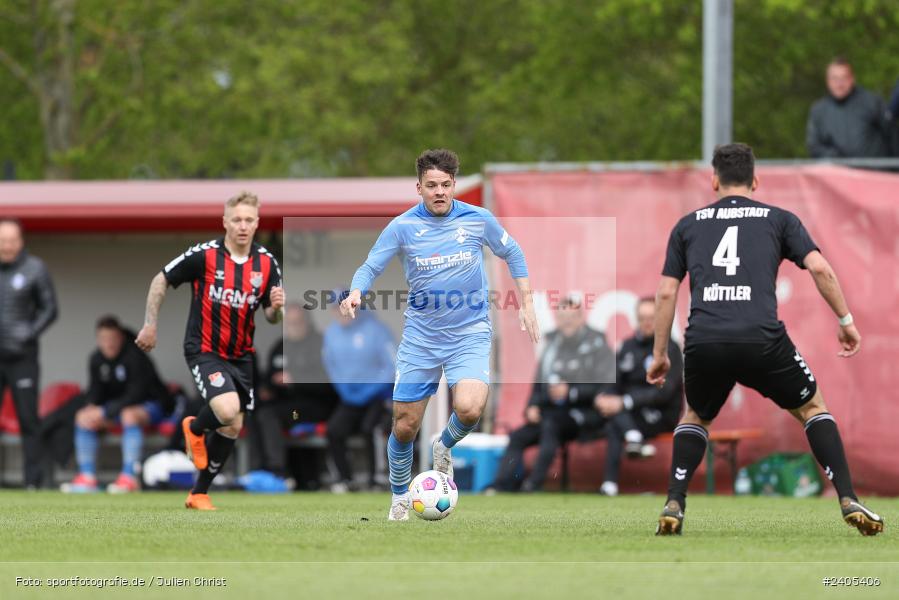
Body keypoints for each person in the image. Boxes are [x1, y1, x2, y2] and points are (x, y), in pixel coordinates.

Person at [647, 143, 883, 536]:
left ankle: (674, 501)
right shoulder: (780, 219)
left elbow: (667, 293)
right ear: (756, 181)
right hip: (761, 339)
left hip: (705, 339)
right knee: (811, 407)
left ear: (714, 181)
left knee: (696, 416)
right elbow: (821, 269)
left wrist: (659, 354)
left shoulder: (688, 225)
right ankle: (847, 496)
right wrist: (845, 320)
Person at [340, 148, 540, 520]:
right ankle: (400, 497)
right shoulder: (402, 227)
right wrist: (356, 292)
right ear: (418, 187)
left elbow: (514, 254)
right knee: (404, 425)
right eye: (431, 185)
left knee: (469, 408)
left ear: (454, 185)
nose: (439, 192)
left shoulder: (478, 219)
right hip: (421, 337)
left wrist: (526, 303)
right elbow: (371, 265)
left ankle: (443, 446)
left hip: (470, 332)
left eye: (446, 185)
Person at [136, 191, 284, 511]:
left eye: (248, 220)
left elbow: (272, 317)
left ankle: (198, 493)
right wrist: (150, 325)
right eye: (236, 220)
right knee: (227, 410)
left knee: (232, 427)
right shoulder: (205, 255)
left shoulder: (266, 263)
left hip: (242, 355)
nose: (242, 226)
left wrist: (277, 309)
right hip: (205, 349)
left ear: (257, 223)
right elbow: (160, 280)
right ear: (225, 222)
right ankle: (195, 426)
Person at [492, 295, 613, 492]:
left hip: (584, 415)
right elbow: (539, 381)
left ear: (581, 317)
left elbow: (605, 387)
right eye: (562, 318)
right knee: (518, 436)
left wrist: (572, 391)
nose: (567, 322)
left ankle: (533, 484)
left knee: (551, 425)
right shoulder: (552, 344)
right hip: (550, 413)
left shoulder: (597, 344)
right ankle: (501, 486)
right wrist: (531, 406)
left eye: (571, 317)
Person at [61, 316, 173, 493]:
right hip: (116, 410)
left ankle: (129, 477)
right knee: (83, 417)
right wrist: (91, 406)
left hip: (153, 406)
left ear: (120, 338)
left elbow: (136, 394)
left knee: (129, 415)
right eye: (104, 339)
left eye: (112, 339)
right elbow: (95, 390)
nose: (109, 344)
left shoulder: (135, 356)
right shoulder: (96, 359)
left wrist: (105, 411)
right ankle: (87, 477)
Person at [594, 297, 682, 497]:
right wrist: (604, 397)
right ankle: (631, 440)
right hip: (630, 415)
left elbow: (665, 392)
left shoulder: (671, 349)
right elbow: (614, 381)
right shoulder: (627, 346)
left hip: (660, 414)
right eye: (642, 318)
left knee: (615, 420)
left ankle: (611, 480)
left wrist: (624, 402)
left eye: (651, 318)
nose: (647, 322)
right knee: (612, 420)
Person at [249, 302, 338, 485]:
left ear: (307, 322)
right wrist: (268, 388)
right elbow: (268, 377)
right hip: (288, 408)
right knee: (255, 411)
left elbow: (328, 384)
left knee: (270, 415)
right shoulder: (280, 346)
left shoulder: (321, 344)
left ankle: (277, 473)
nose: (294, 326)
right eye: (290, 322)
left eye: (298, 322)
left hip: (315, 407)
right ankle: (257, 471)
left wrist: (294, 379)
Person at [0, 217, 58, 488]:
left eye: (11, 240)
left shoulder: (35, 268)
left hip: (23, 358)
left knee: (27, 419)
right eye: (2, 240)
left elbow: (50, 309)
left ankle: (32, 482)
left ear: (20, 242)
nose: (7, 246)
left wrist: (30, 332)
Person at [322, 292, 395, 492]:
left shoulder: (377, 330)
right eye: (335, 307)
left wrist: (371, 390)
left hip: (378, 395)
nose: (339, 311)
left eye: (343, 306)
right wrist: (345, 391)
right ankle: (345, 479)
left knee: (370, 428)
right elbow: (331, 365)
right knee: (334, 430)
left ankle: (377, 478)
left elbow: (391, 366)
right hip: (350, 397)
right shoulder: (331, 333)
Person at [806, 57, 892, 158]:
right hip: (837, 172)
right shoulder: (818, 111)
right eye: (835, 78)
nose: (839, 83)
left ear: (852, 79)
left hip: (874, 172)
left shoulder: (873, 102)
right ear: (828, 81)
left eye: (844, 78)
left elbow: (892, 134)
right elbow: (814, 147)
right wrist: (836, 158)